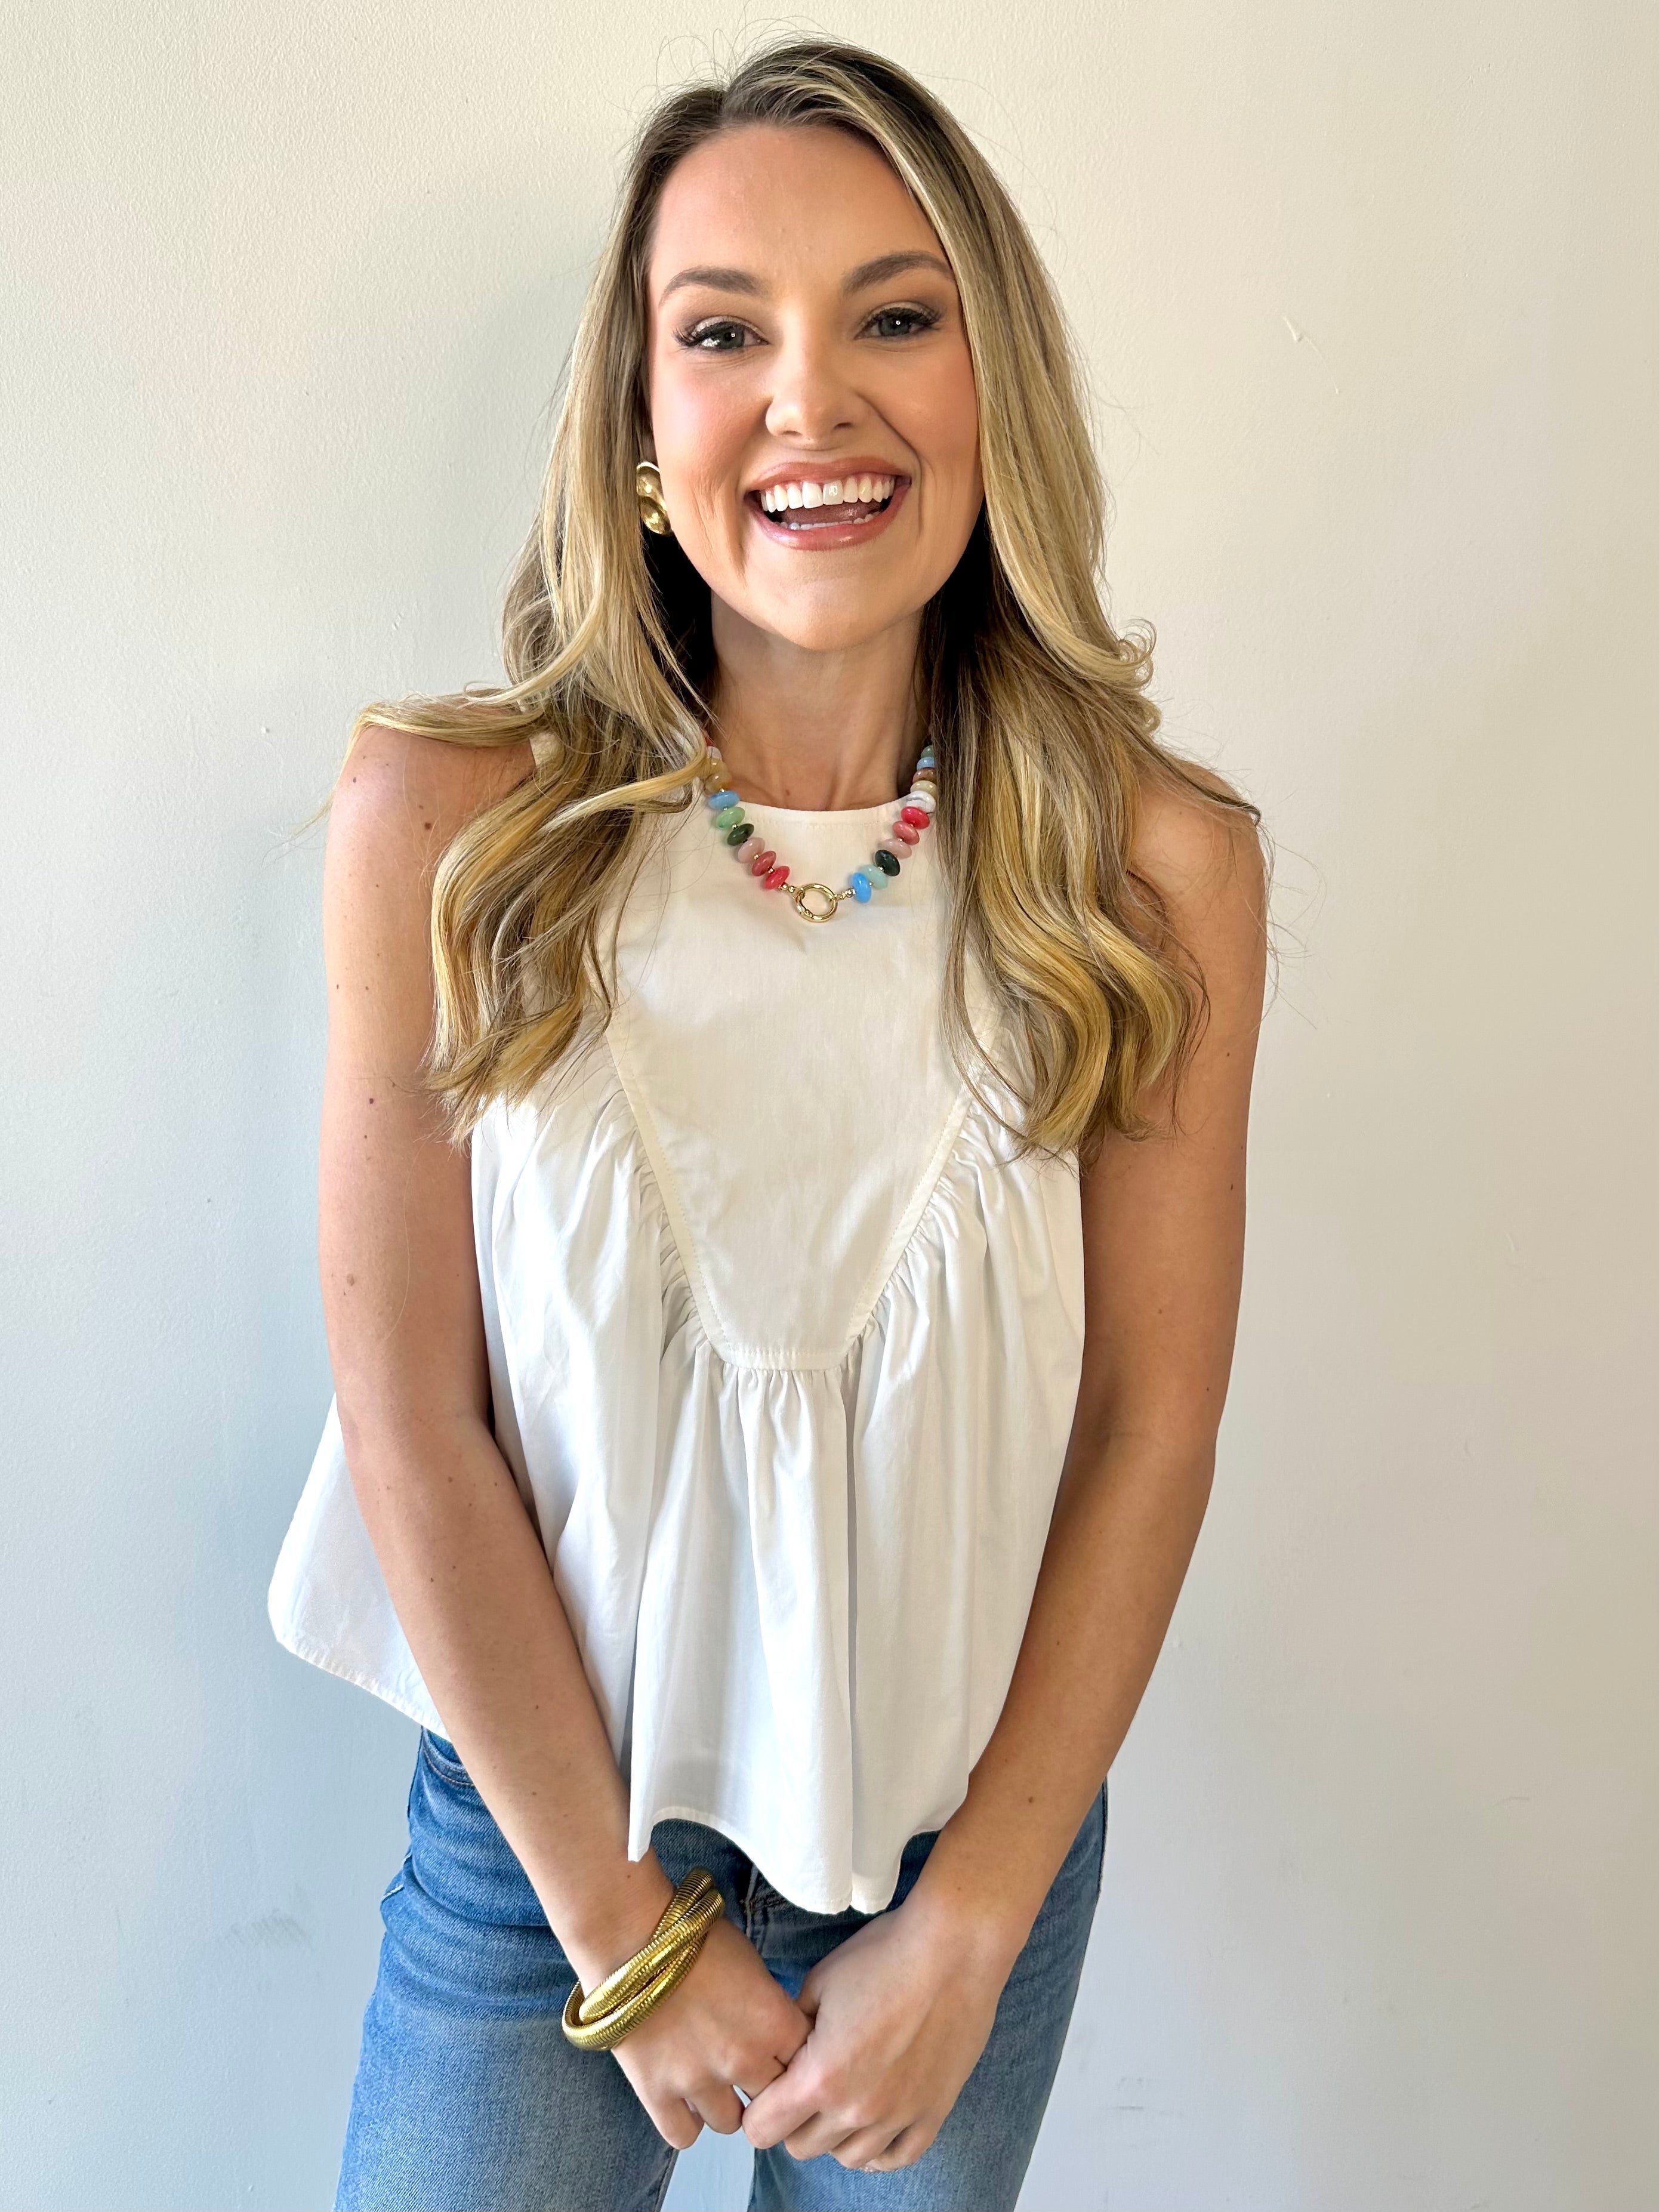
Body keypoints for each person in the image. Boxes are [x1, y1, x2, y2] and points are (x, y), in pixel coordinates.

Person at [266, 36, 1268, 2212]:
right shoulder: (448, 827)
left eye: (893, 316)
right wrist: (626, 1932)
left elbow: (1152, 1426)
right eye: (723, 333)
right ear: (638, 428)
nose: (809, 401)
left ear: (994, 387)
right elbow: (408, 1409)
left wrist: (973, 1922)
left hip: (966, 1851)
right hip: (544, 1848)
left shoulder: (1151, 868)